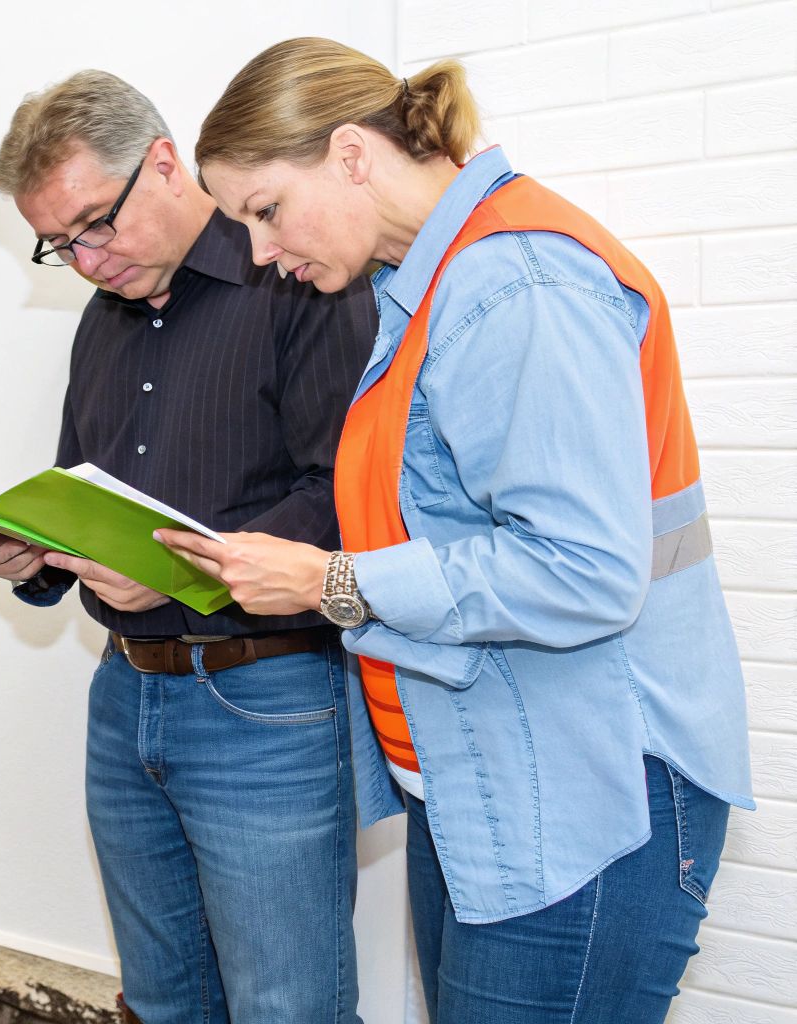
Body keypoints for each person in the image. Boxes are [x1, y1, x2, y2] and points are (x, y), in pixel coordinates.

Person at [162, 37, 756, 1023]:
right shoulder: (430, 284)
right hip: (502, 791)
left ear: (349, 153)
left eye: (264, 210)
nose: (261, 253)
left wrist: (328, 582)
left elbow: (580, 572)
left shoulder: (514, 283)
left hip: (588, 802)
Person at [0, 70, 375, 1023]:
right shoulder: (101, 324)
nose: (84, 262)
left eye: (94, 226)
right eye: (58, 245)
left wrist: (171, 575)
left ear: (161, 164)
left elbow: (347, 497)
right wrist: (31, 555)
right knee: (163, 1002)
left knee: (289, 1008)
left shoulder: (296, 275)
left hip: (266, 701)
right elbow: (80, 493)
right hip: (125, 695)